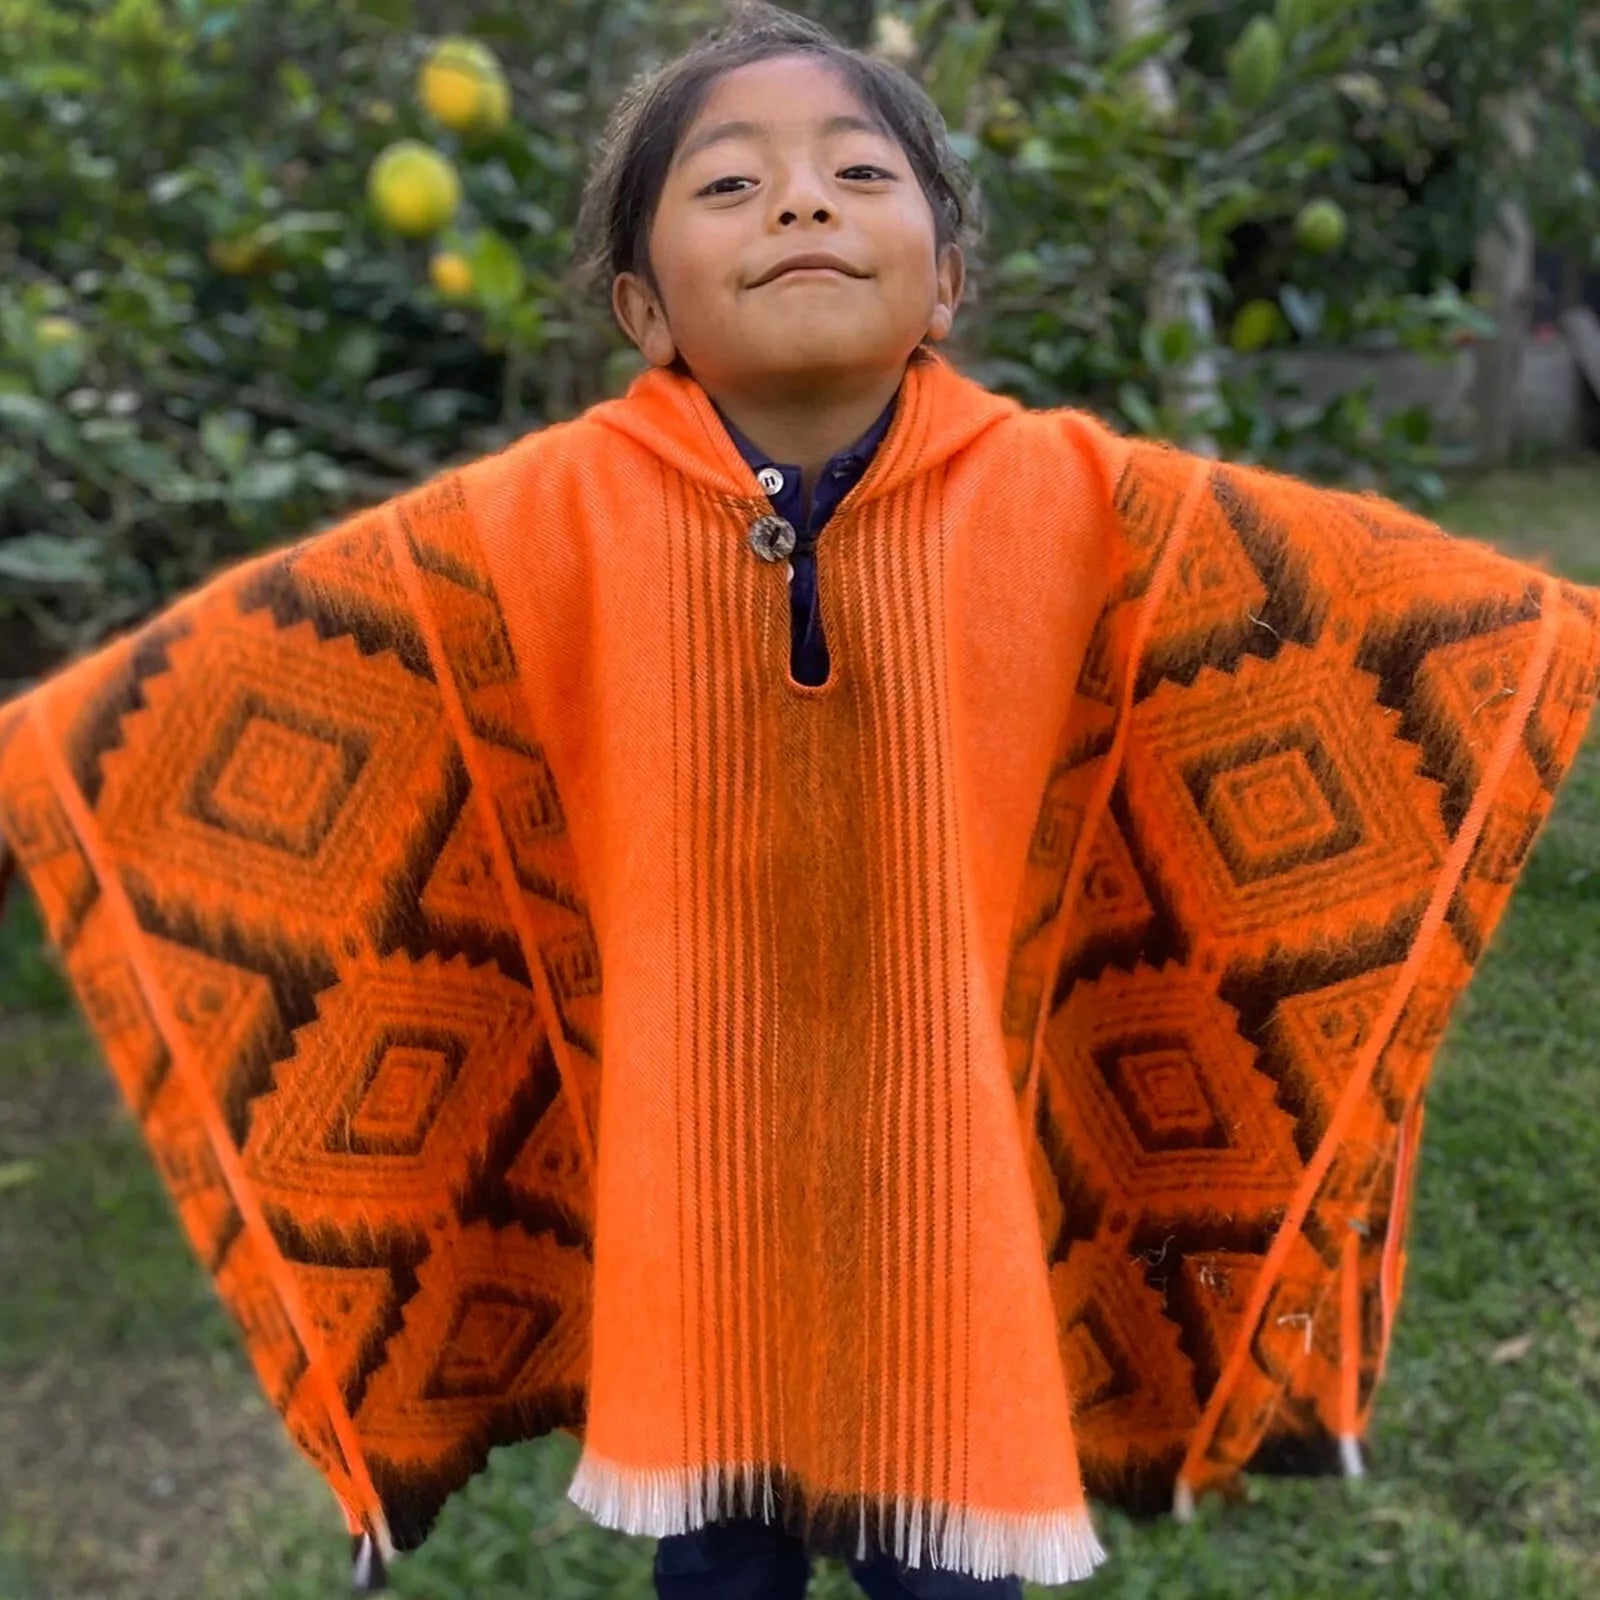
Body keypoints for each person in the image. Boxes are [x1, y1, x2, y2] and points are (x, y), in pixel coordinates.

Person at [1, 4, 1596, 1598]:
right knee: (719, 1578)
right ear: (644, 306)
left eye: (856, 169)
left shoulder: (1078, 503)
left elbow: (1364, 610)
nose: (802, 203)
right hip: (690, 1221)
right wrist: (46, 755)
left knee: (948, 1579)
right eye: (729, 185)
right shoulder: (536, 522)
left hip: (957, 1215)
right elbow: (288, 660)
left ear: (947, 280)